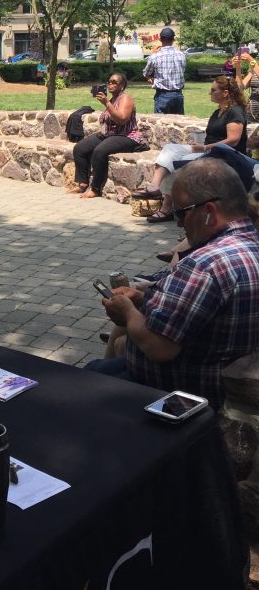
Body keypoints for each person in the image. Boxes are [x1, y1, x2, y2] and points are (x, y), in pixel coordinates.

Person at [87, 160, 259, 409]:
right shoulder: (249, 242)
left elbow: (159, 348)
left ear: (208, 211)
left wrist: (127, 311)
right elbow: (201, 312)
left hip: (176, 392)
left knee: (84, 382)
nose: (178, 223)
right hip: (219, 377)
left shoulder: (205, 265)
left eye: (181, 213)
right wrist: (144, 299)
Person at [132, 76, 247, 223]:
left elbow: (233, 140)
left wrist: (205, 147)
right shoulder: (218, 112)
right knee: (170, 149)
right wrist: (201, 144)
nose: (209, 93)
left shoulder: (234, 111)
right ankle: (155, 186)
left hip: (224, 155)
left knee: (179, 163)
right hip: (208, 149)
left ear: (225, 93)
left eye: (213, 90)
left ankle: (167, 208)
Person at [68, 73, 147, 198]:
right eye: (109, 81)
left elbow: (121, 119)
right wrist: (107, 103)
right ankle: (82, 183)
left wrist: (106, 104)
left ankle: (95, 188)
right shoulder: (112, 99)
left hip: (126, 136)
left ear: (122, 85)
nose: (110, 84)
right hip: (109, 134)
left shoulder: (125, 98)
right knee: (79, 148)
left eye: (114, 82)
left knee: (99, 151)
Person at [142, 26, 186, 114]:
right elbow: (182, 71)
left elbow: (146, 73)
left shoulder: (155, 56)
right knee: (178, 124)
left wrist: (152, 54)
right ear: (173, 39)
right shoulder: (181, 55)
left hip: (163, 95)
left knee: (160, 124)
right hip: (178, 94)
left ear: (160, 39)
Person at [233, 49, 259, 121]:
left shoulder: (255, 67)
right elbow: (239, 88)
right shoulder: (254, 69)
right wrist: (238, 68)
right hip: (251, 113)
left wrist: (251, 61)